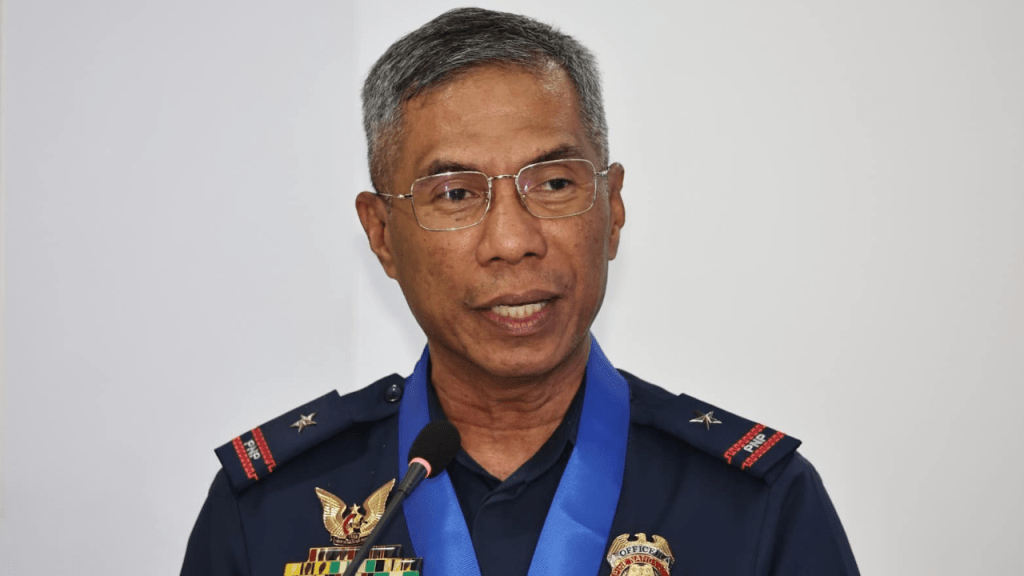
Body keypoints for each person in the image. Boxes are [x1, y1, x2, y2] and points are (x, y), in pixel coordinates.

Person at [182, 7, 859, 576]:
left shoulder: (758, 504)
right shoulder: (268, 508)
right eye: (455, 194)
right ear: (382, 234)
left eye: (554, 183)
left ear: (613, 209)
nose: (512, 240)